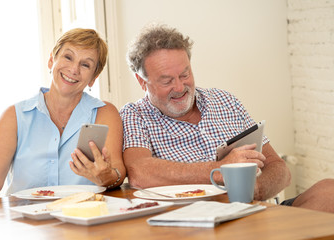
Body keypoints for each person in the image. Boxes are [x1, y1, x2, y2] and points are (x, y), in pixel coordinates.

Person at [120, 23, 291, 201]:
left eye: (185, 75)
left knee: (323, 190)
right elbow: (139, 172)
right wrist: (221, 170)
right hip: (197, 219)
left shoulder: (225, 101)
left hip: (258, 210)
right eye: (166, 81)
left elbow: (279, 168)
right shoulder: (135, 115)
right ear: (141, 81)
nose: (179, 87)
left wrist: (256, 191)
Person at [0, 28, 126, 198]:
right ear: (51, 61)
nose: (74, 69)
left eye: (85, 64)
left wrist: (106, 176)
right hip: (26, 219)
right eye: (68, 57)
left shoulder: (104, 113)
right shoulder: (15, 116)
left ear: (94, 77)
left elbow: (117, 172)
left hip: (83, 216)